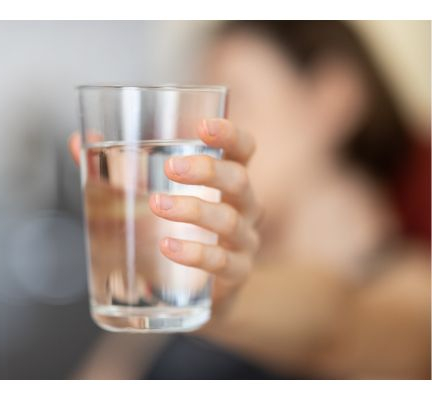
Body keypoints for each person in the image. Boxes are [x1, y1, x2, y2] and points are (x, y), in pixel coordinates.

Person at [69, 21, 430, 379]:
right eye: (195, 107)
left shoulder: (407, 285)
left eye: (233, 97)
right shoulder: (182, 273)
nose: (196, 131)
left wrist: (221, 300)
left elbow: (338, 329)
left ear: (332, 97)